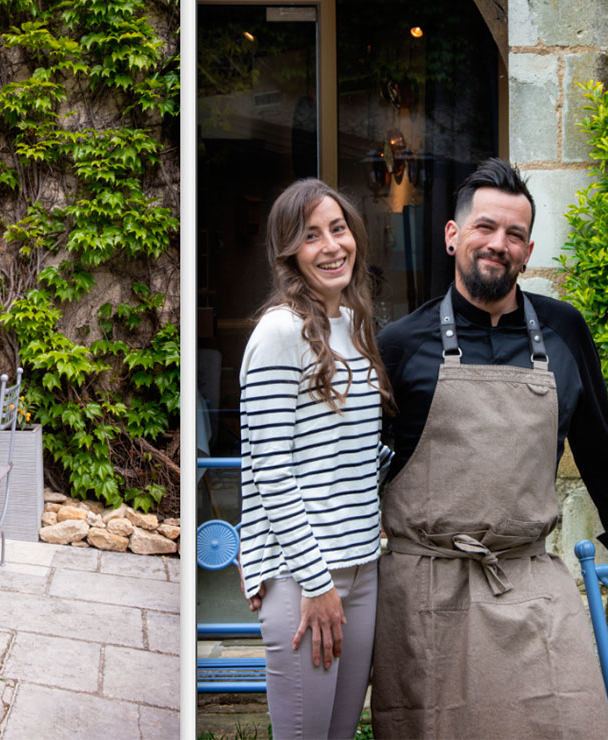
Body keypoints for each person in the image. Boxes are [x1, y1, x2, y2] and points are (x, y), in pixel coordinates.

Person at [371, 158, 608, 739]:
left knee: (575, 720)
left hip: (526, 575)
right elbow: (358, 467)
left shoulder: (564, 330)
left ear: (527, 251)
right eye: (485, 227)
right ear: (453, 236)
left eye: (515, 235)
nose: (499, 244)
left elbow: (599, 443)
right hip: (425, 586)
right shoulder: (400, 345)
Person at [238, 178, 394, 740]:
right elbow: (271, 471)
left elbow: (350, 455)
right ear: (290, 254)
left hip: (362, 567)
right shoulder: (279, 333)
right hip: (305, 578)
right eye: (311, 236)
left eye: (339, 228)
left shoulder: (352, 325)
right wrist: (317, 581)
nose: (332, 245)